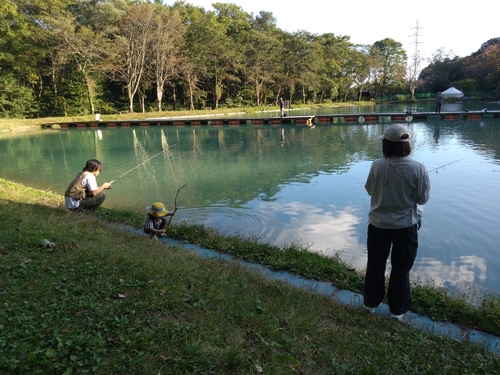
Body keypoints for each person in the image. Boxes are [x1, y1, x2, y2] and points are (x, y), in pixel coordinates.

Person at [363, 124, 430, 322]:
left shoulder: (377, 165)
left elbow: (369, 190)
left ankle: (370, 303)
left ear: (386, 145)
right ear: (407, 146)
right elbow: (422, 199)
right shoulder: (419, 168)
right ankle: (397, 311)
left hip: (378, 225)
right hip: (405, 227)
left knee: (375, 264)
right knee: (401, 267)